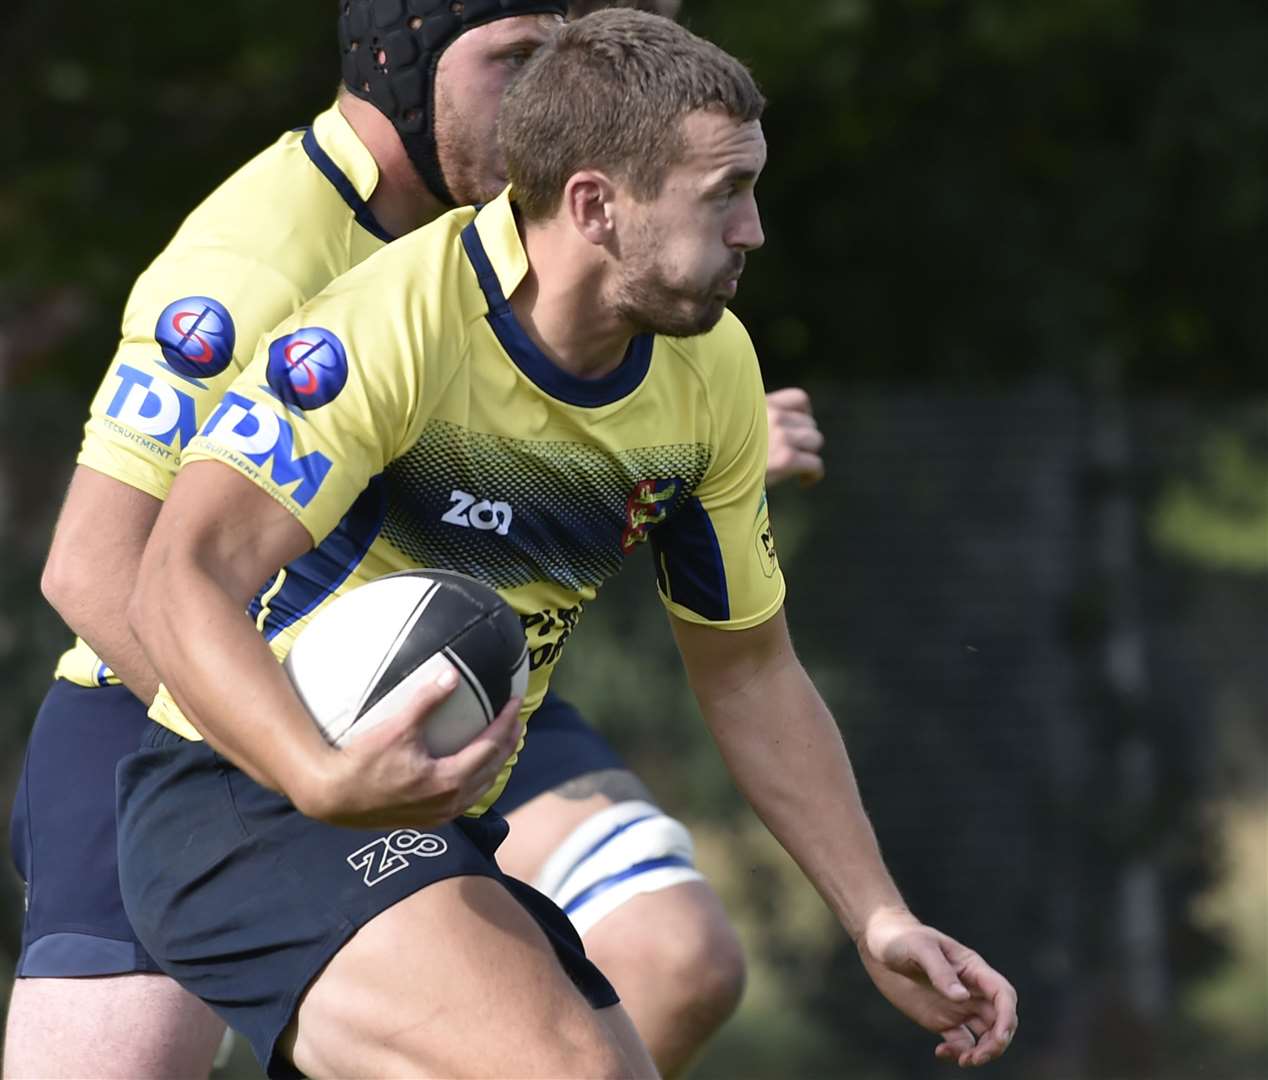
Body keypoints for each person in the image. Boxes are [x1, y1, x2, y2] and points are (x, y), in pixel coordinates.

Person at [118, 9, 1018, 1078]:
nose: (753, 231)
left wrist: (875, 916)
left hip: (427, 821)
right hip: (241, 798)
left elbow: (748, 671)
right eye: (722, 194)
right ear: (593, 204)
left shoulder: (707, 370)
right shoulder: (390, 326)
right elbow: (178, 579)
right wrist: (319, 775)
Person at [4, 4, 824, 1078]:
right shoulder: (262, 259)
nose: (547, 97)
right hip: (191, 709)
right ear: (402, 64)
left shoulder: (533, 237)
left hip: (435, 663)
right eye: (514, 61)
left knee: (671, 954)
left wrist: (678, 463)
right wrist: (300, 763)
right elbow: (98, 566)